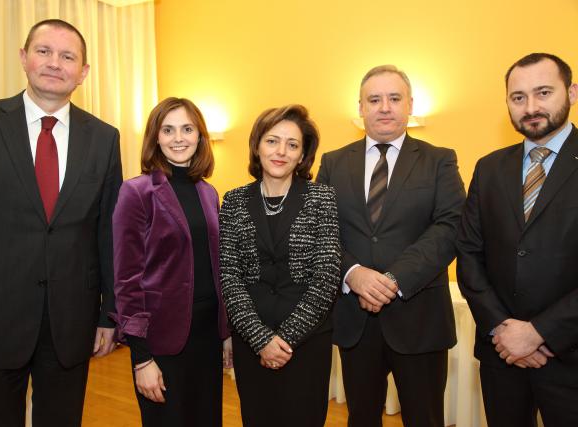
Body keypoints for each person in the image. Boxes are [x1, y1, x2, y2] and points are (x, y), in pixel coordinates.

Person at [0, 19, 122, 427]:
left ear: (83, 72)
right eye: (44, 51)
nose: (54, 63)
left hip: (70, 325)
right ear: (23, 58)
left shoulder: (105, 138)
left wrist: (109, 314)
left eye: (67, 56)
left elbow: (109, 235)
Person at [317, 65, 466, 427]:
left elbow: (450, 227)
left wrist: (393, 279)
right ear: (361, 108)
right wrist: (353, 274)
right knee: (361, 418)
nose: (384, 107)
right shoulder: (333, 163)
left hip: (419, 318)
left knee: (425, 418)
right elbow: (321, 231)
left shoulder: (439, 159)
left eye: (394, 98)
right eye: (374, 99)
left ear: (409, 105)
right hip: (355, 320)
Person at [456, 52, 578, 427]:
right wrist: (503, 330)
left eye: (543, 92)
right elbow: (469, 254)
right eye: (518, 97)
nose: (531, 107)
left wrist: (539, 332)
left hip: (571, 355)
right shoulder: (489, 167)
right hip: (501, 354)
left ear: (572, 92)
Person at [111, 97, 231, 427]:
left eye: (187, 129)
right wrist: (141, 358)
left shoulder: (208, 192)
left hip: (206, 337)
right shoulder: (136, 192)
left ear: (200, 137)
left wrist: (225, 333)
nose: (178, 138)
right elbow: (126, 279)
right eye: (168, 129)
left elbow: (215, 268)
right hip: (161, 340)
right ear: (156, 137)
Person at [219, 104, 341, 427]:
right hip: (251, 340)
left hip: (306, 343)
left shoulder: (322, 199)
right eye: (272, 141)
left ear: (302, 156)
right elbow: (229, 276)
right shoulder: (232, 201)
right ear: (257, 146)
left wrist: (284, 340)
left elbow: (327, 276)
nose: (281, 152)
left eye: (292, 144)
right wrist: (261, 340)